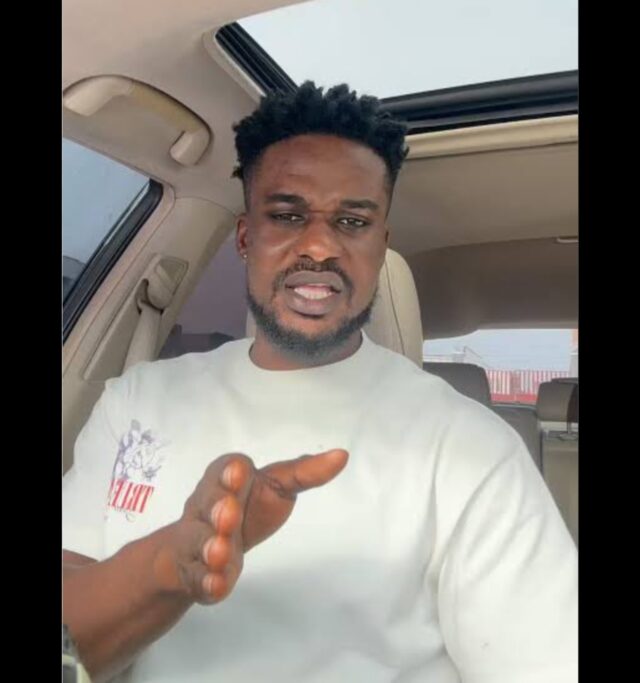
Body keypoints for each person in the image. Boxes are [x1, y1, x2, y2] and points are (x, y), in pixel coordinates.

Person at [63, 82, 577, 683]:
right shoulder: (136, 401)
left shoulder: (468, 446)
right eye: (287, 216)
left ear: (380, 246)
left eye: (352, 222)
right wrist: (167, 567)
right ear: (246, 238)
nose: (318, 247)